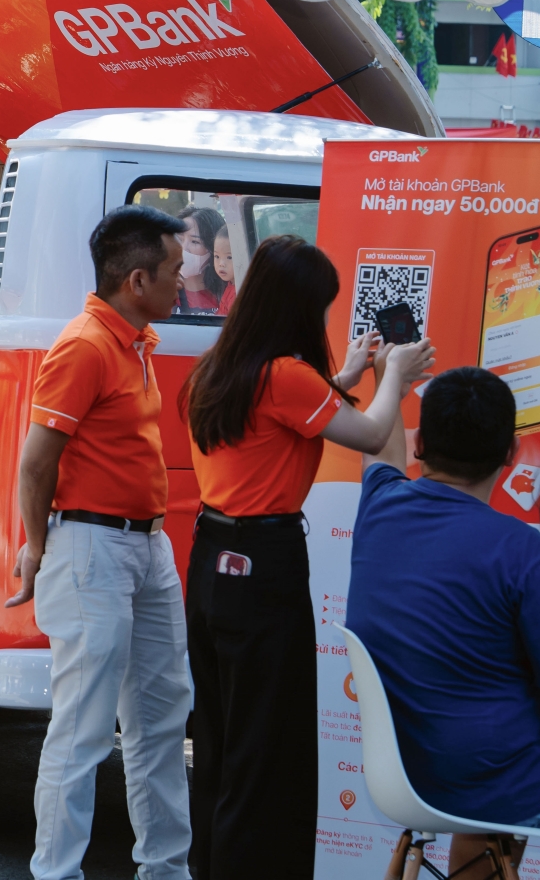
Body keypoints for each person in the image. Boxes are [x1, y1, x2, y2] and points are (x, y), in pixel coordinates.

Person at [181, 236, 436, 878]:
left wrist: (343, 378)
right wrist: (394, 376)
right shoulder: (286, 377)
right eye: (321, 307)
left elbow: (287, 413)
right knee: (268, 746)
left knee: (220, 738)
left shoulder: (221, 368)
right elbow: (372, 435)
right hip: (264, 564)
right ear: (297, 307)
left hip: (211, 558)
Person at [347, 367, 540, 878]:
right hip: (501, 781)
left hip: (404, 774)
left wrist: (391, 379)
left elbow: (379, 451)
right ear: (511, 452)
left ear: (420, 445)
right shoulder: (519, 549)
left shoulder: (380, 507)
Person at [7, 205, 193, 880]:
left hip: (143, 547)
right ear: (137, 280)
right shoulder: (86, 344)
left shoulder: (134, 340)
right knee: (84, 729)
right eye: (175, 269)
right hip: (92, 549)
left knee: (161, 720)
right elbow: (35, 464)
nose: (184, 280)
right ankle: (57, 873)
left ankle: (165, 869)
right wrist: (37, 547)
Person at [175, 206, 226, 314]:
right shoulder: (161, 292)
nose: (183, 248)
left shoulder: (228, 293)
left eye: (195, 242)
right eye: (179, 239)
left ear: (214, 249)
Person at [211, 227, 236, 315]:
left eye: (229, 257)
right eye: (217, 256)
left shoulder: (239, 292)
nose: (221, 264)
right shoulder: (231, 284)